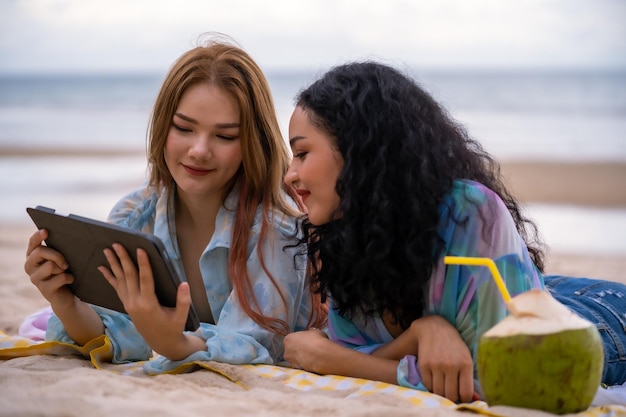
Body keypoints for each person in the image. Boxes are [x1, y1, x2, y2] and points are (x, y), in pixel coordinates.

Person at [282, 61, 626, 403]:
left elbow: (495, 381)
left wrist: (331, 361)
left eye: (302, 153)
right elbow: (361, 348)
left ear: (357, 149)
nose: (289, 175)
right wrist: (421, 333)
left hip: (597, 321)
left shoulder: (469, 212)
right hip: (528, 294)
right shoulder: (343, 234)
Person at [23, 35, 325, 374]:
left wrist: (174, 344)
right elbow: (123, 337)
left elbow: (257, 345)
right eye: (183, 128)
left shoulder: (278, 230)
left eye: (224, 136)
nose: (199, 150)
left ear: (253, 143)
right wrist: (64, 302)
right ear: (164, 126)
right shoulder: (134, 216)